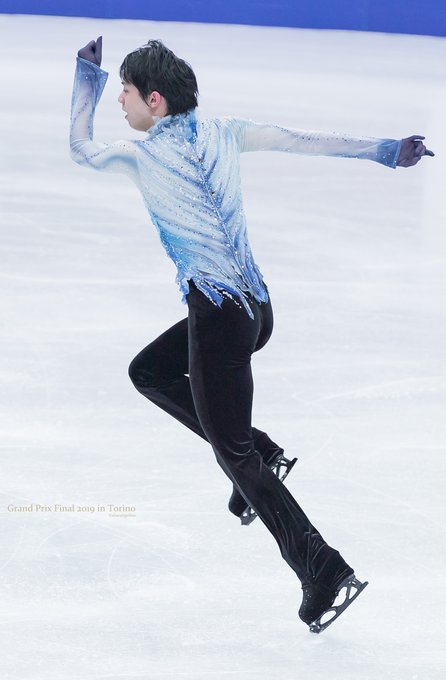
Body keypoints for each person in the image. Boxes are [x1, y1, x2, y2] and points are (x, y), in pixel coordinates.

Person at [69, 36, 434, 632]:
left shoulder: (139, 156)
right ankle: (260, 449)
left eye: (125, 92)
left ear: (154, 100)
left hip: (219, 320)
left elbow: (82, 150)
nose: (121, 102)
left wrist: (86, 78)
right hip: (256, 310)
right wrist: (387, 150)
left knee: (233, 455)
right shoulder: (226, 131)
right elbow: (303, 140)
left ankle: (321, 568)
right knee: (150, 372)